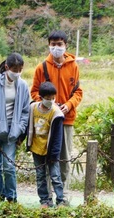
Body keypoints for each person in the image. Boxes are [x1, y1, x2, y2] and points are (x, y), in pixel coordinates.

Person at [30, 30, 83, 203]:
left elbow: (78, 92)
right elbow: (34, 92)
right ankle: (46, 198)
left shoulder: (73, 66)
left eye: (59, 44)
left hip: (66, 120)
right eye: (52, 44)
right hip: (45, 119)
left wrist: (67, 106)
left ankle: (64, 196)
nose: (56, 47)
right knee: (45, 157)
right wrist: (49, 105)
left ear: (65, 45)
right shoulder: (41, 67)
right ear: (48, 45)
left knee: (64, 158)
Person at [0, 52, 30, 203]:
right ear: (7, 67)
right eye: (14, 69)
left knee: (9, 166)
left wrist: (20, 128)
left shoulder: (22, 85)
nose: (17, 73)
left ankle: (11, 197)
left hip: (12, 132)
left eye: (20, 69)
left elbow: (25, 110)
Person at [27, 81, 65, 208]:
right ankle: (45, 200)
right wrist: (22, 139)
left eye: (53, 98)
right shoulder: (33, 108)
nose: (51, 100)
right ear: (41, 97)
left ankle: (60, 200)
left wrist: (54, 154)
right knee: (40, 176)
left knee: (55, 175)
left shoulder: (56, 113)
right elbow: (28, 126)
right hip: (37, 148)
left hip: (50, 150)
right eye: (48, 98)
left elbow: (58, 137)